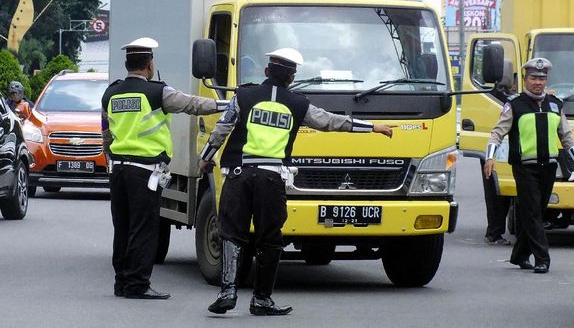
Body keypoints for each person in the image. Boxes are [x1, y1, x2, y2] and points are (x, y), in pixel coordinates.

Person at [198, 48, 394, 316]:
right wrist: (372, 127)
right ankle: (262, 299)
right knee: (270, 239)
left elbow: (222, 128)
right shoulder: (299, 104)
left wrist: (205, 158)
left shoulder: (243, 95)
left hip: (239, 175)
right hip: (271, 178)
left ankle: (228, 291)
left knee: (232, 233)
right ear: (291, 77)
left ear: (266, 72)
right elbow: (330, 122)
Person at [101, 37, 228, 299]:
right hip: (144, 171)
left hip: (118, 171)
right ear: (149, 65)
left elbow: (106, 131)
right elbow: (192, 104)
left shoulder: (111, 93)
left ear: (127, 64)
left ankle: (122, 282)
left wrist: (108, 157)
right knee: (144, 228)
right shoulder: (156, 92)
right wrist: (226, 104)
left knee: (122, 227)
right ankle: (137, 284)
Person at [483, 58, 574, 274]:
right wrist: (490, 157)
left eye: (542, 78)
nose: (538, 82)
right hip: (524, 168)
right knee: (532, 213)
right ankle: (543, 259)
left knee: (537, 211)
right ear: (525, 79)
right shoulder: (514, 105)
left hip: (548, 167)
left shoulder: (555, 104)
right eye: (533, 78)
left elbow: (566, 136)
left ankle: (519, 255)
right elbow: (497, 133)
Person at [482, 60, 517, 245]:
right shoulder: (501, 98)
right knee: (497, 193)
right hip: (498, 150)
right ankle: (494, 232)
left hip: (508, 150)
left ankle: (496, 231)